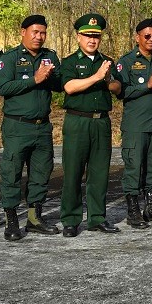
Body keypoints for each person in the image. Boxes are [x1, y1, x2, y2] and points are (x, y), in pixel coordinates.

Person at [0, 15, 62, 241]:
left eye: (42, 32)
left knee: (42, 173)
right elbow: (3, 87)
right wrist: (34, 79)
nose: (39, 37)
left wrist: (50, 77)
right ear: (23, 32)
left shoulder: (50, 56)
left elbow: (59, 85)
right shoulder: (10, 57)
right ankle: (11, 220)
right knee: (12, 172)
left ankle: (35, 218)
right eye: (34, 32)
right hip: (17, 126)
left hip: (42, 127)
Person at [60, 13, 121, 237]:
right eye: (87, 35)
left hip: (100, 122)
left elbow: (116, 88)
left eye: (96, 36)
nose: (92, 40)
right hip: (78, 121)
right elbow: (69, 87)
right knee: (73, 172)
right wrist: (96, 77)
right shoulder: (69, 61)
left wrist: (108, 80)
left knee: (99, 173)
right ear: (78, 37)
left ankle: (97, 217)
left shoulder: (108, 62)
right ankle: (70, 219)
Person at [115, 18, 152, 228]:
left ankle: (151, 206)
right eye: (147, 36)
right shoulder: (127, 61)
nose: (151, 40)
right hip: (136, 126)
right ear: (137, 36)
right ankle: (133, 211)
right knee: (133, 168)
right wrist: (147, 86)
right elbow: (121, 91)